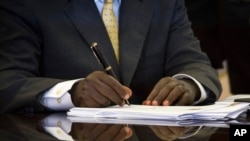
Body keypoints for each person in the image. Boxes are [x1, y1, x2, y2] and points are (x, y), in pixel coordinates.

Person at [0, 0, 222, 114]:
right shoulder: (28, 4)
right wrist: (71, 92)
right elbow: (8, 81)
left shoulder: (164, 3)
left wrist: (188, 85)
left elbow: (195, 65)